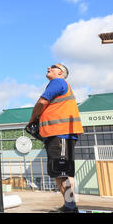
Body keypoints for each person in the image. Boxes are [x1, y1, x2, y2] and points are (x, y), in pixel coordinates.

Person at [28, 63, 84, 213]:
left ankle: (70, 207)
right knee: (61, 172)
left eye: (53, 67)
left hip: (61, 133)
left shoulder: (58, 82)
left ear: (61, 72)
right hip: (59, 134)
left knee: (62, 172)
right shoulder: (60, 84)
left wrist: (32, 119)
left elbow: (41, 102)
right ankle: (70, 206)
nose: (48, 68)